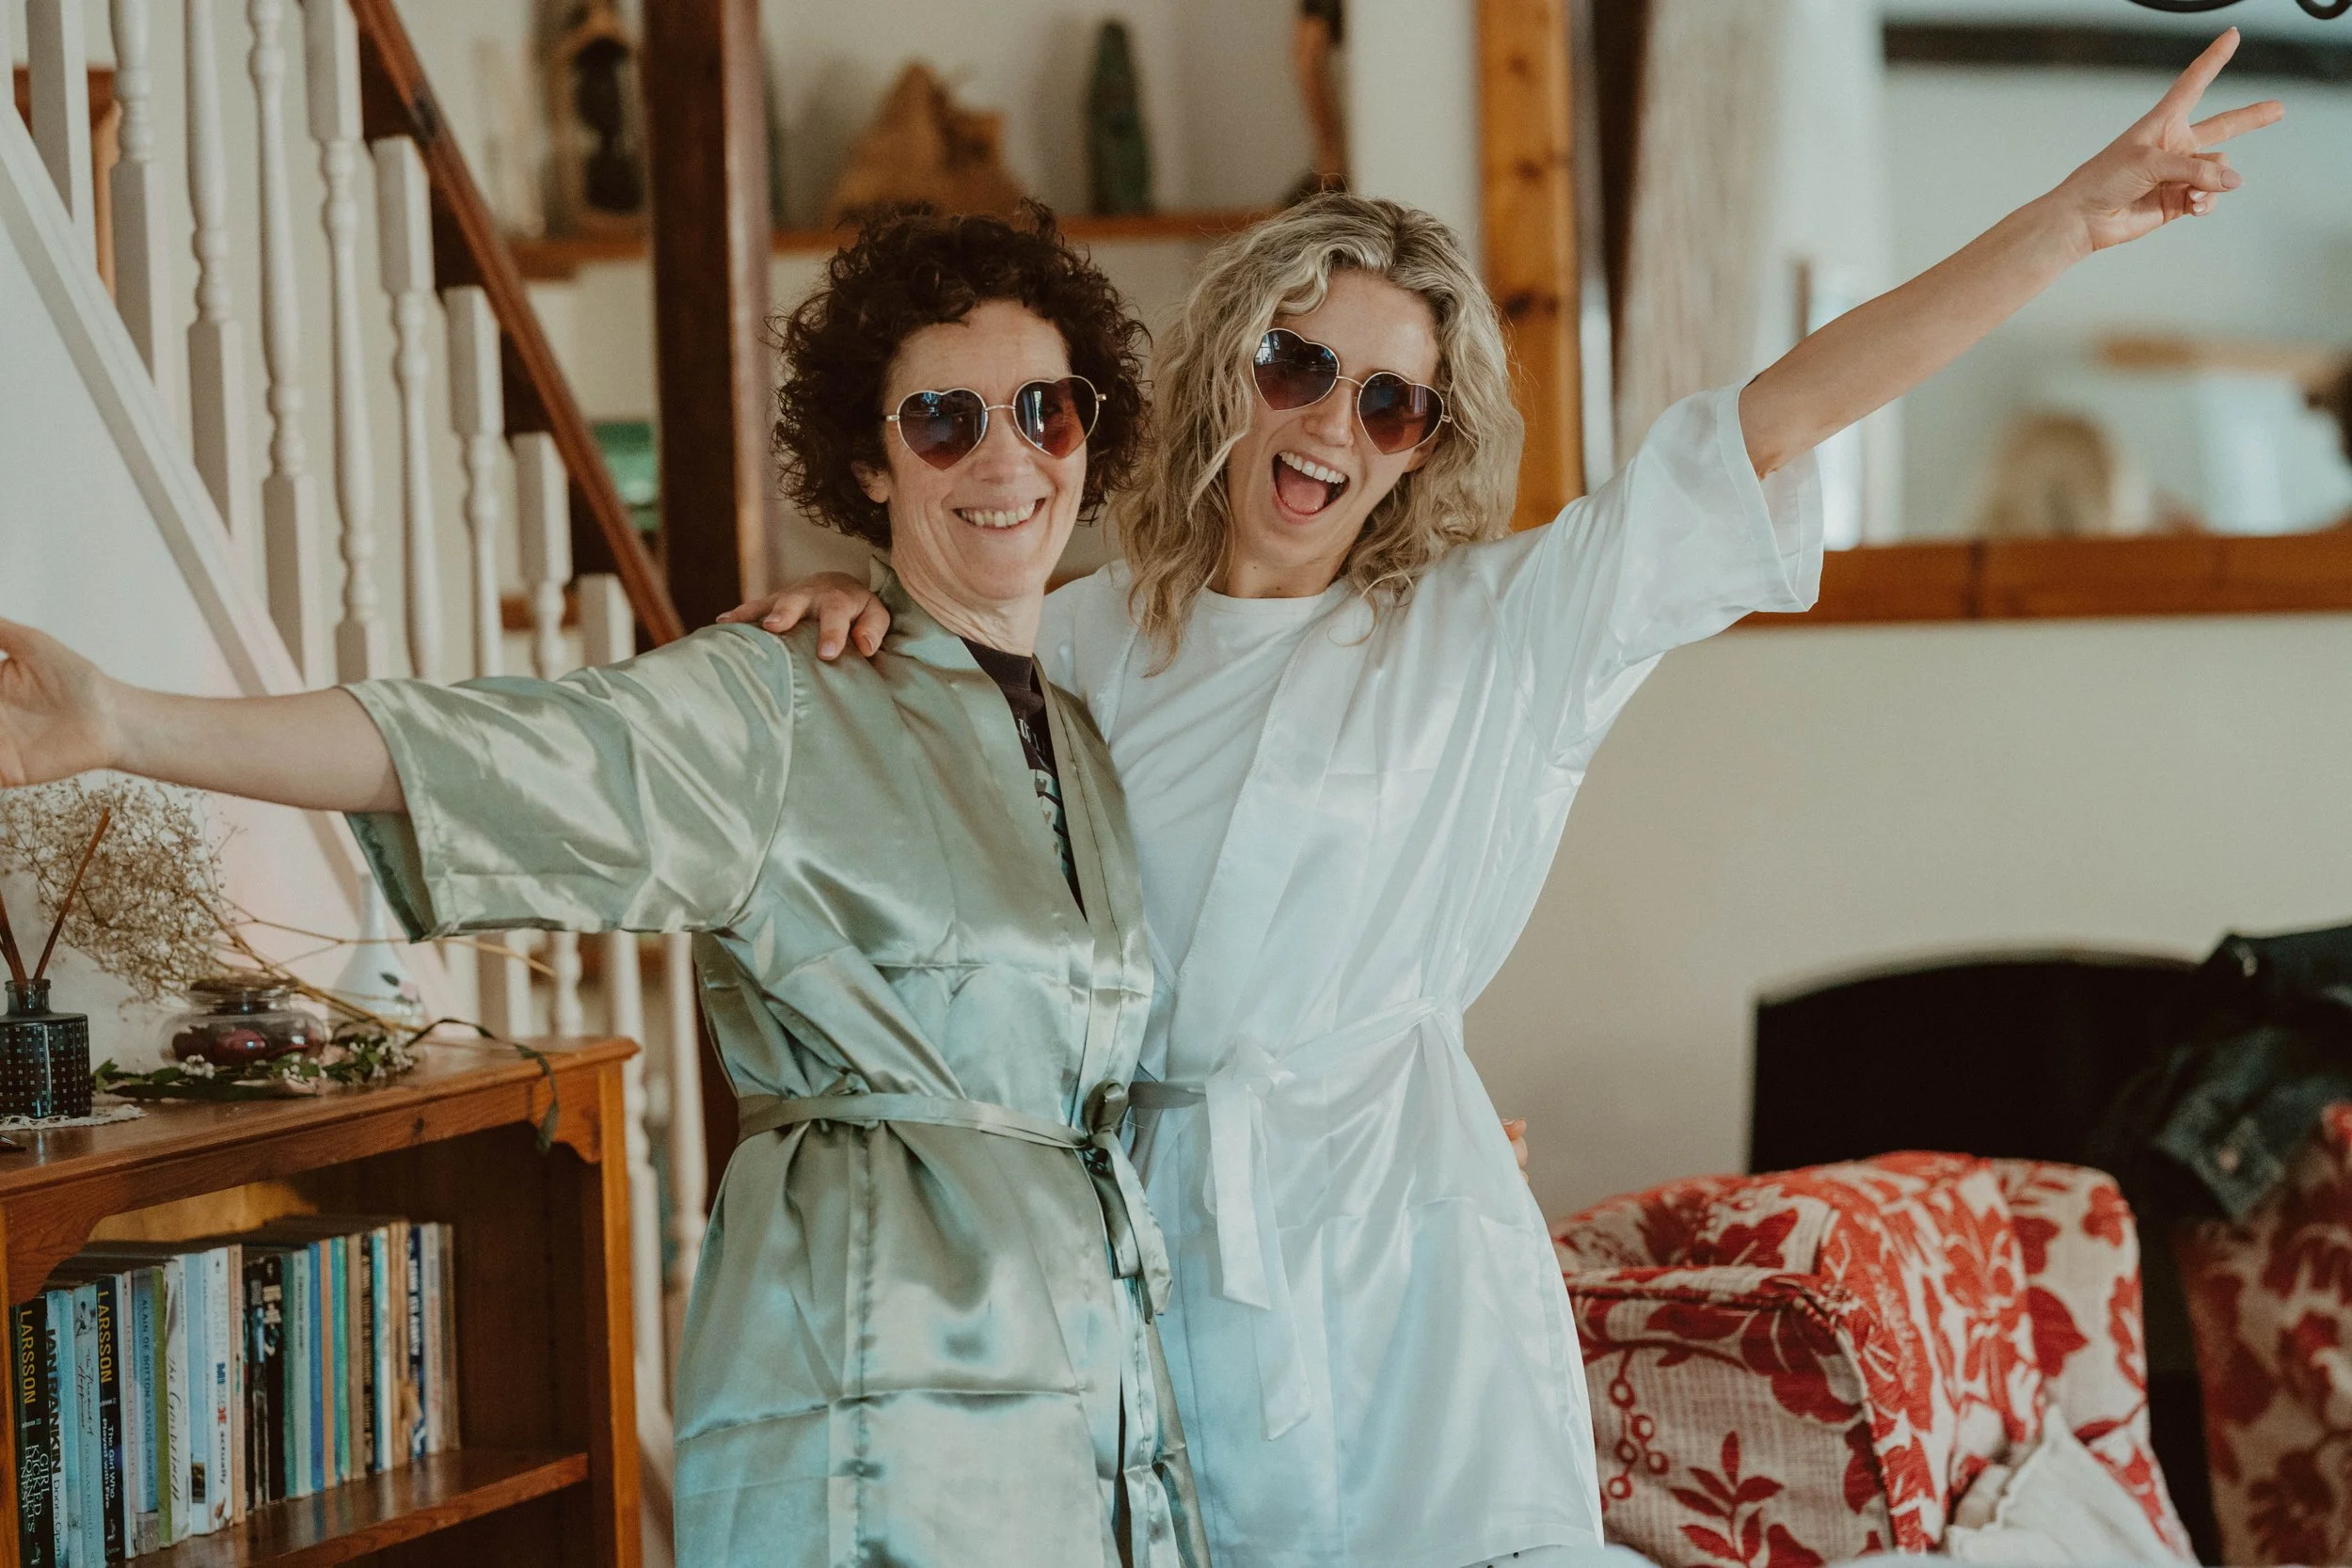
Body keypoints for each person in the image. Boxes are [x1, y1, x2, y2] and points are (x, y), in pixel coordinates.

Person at [726, 34, 2279, 1568]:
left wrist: (2069, 222)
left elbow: (1773, 420)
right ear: (1234, 368)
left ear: (1427, 442)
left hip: (1406, 1255)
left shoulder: (1493, 633)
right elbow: (933, 824)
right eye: (1303, 365)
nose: (1336, 424)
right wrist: (844, 612)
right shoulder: (1071, 635)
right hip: (1133, 1245)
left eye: (1392, 402)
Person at [0, 209, 1212, 1568]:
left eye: (1045, 411)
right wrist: (125, 721)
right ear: (871, 463)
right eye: (945, 419)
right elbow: (505, 744)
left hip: (1091, 1376)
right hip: (879, 1371)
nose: (1006, 457)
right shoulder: (780, 703)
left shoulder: (1091, 719)